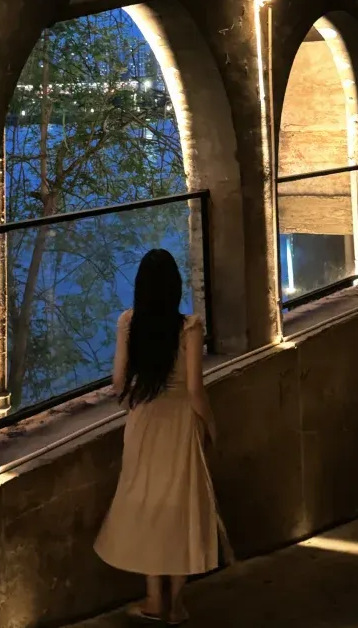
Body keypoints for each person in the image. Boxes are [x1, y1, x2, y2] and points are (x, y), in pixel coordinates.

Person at [94, 248, 218, 624]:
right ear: (175, 287)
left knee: (146, 505)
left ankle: (153, 597)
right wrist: (211, 426)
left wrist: (136, 404)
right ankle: (177, 604)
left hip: (143, 421)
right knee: (182, 508)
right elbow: (195, 389)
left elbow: (119, 382)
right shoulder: (190, 327)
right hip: (181, 423)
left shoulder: (128, 323)